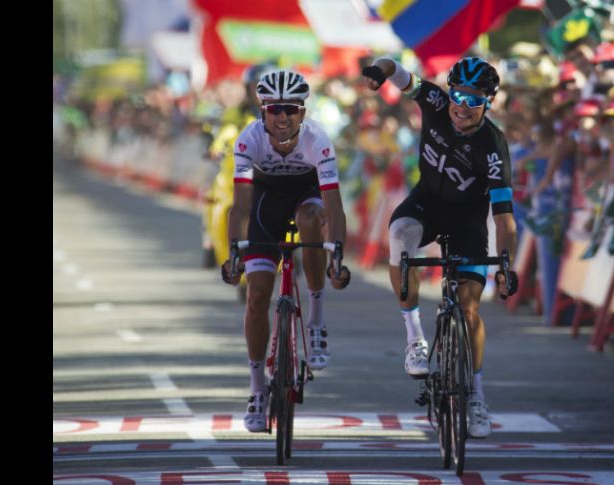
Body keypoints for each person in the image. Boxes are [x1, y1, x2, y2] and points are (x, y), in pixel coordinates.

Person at [362, 56, 519, 438]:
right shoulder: (433, 101)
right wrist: (378, 73)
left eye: (473, 99)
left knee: (469, 311)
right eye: (458, 95)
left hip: (467, 222)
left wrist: (505, 265)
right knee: (399, 238)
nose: (462, 106)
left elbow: (503, 219)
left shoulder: (493, 146)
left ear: (488, 102)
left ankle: (478, 396)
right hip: (426, 204)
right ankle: (415, 338)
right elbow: (396, 68)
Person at [221, 69, 352, 432]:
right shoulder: (248, 140)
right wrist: (234, 254)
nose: (282, 117)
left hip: (306, 196)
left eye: (291, 110)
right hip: (265, 203)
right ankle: (257, 389)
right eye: (275, 109)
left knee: (312, 220)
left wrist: (336, 256)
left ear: (303, 114)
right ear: (262, 111)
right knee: (257, 294)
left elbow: (335, 208)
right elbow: (242, 207)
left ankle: (316, 319)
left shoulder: (318, 141)